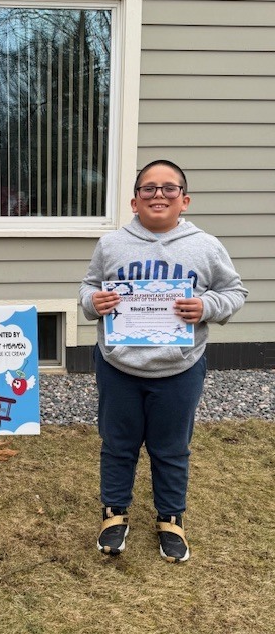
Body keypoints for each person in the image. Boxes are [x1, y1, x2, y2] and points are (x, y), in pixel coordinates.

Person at [79, 160, 248, 563]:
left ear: (184, 200)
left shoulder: (206, 246)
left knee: (171, 448)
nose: (159, 195)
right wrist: (92, 302)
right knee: (118, 444)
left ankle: (171, 518)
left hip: (179, 368)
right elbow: (88, 288)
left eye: (169, 189)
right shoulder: (111, 245)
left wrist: (206, 305)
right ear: (134, 202)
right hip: (118, 365)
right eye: (149, 189)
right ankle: (114, 513)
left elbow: (235, 291)